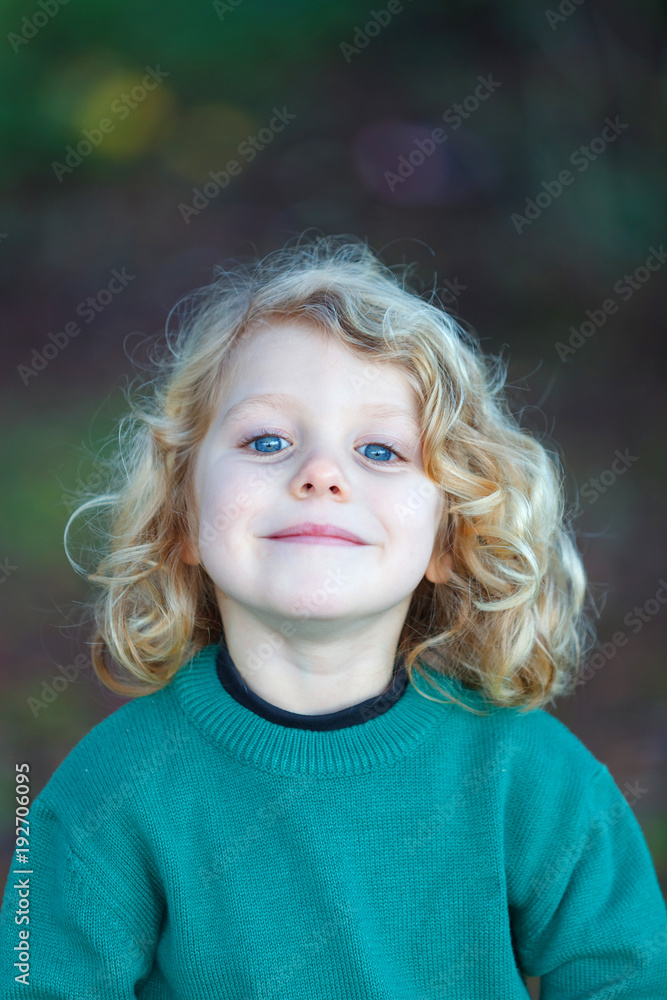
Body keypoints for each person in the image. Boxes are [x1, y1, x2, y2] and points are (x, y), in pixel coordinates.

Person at [2, 234, 666, 998]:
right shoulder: (109, 790)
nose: (320, 474)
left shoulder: (532, 777)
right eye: (267, 440)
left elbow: (627, 977)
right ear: (181, 513)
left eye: (379, 451)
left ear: (450, 538)